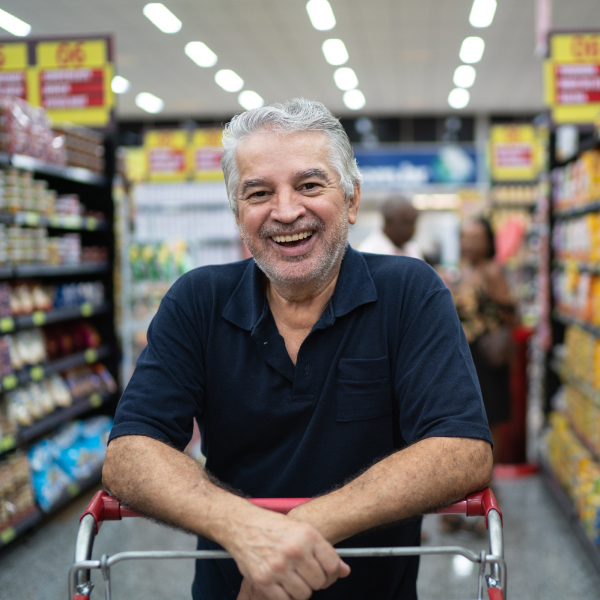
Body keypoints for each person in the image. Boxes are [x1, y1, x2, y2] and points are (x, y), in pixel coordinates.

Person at [103, 99, 493, 600]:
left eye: (309, 185)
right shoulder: (195, 301)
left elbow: (462, 449)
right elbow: (130, 453)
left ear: (351, 200)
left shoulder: (410, 292)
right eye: (259, 192)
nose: (286, 211)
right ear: (238, 215)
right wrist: (247, 529)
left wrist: (300, 528)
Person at [446, 217, 514, 464]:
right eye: (465, 237)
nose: (469, 244)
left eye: (476, 238)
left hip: (487, 355)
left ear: (488, 242)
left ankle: (489, 473)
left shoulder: (492, 272)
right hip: (467, 355)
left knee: (492, 415)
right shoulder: (462, 270)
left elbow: (509, 311)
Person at [358, 195, 423, 259]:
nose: (411, 229)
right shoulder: (369, 253)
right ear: (388, 222)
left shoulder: (413, 249)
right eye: (406, 223)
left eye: (413, 223)